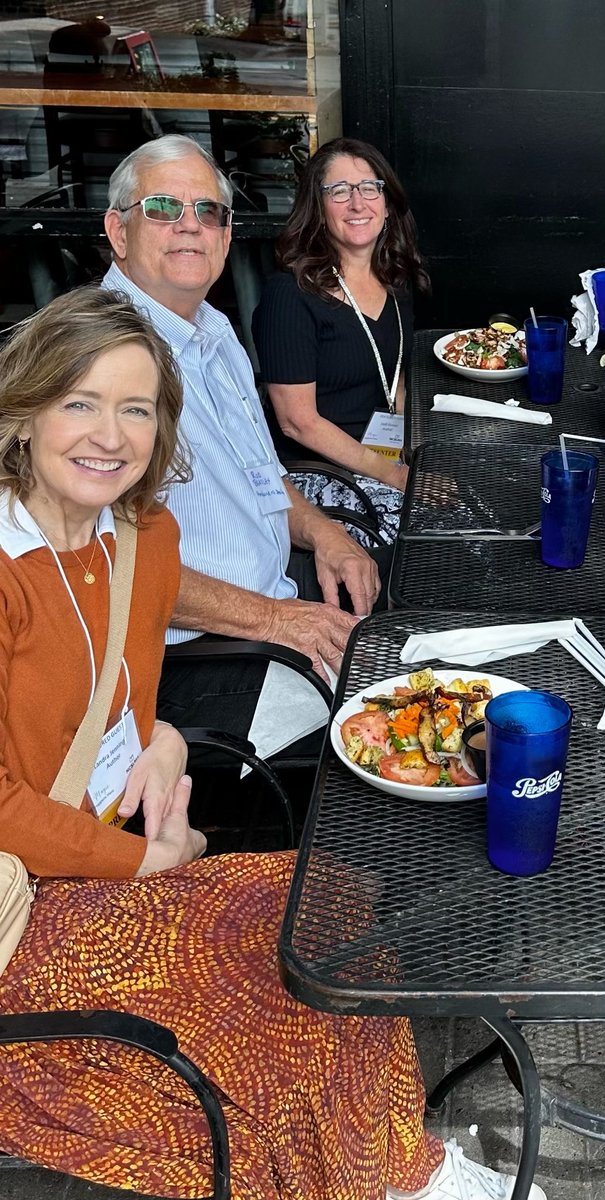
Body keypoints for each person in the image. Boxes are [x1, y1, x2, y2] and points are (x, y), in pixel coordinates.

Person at [0, 287, 546, 1200]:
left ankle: (388, 1168)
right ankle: (397, 1181)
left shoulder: (140, 533)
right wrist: (145, 862)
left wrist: (165, 744)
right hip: (26, 912)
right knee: (278, 1013)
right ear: (24, 413)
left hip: (125, 839)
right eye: (79, 402)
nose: (110, 434)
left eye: (136, 408)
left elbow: (122, 695)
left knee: (341, 905)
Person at [101, 134, 381, 739]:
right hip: (186, 659)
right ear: (119, 232)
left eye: (208, 212)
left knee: (412, 601)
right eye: (163, 208)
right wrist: (277, 620)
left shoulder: (211, 327)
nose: (190, 226)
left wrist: (321, 531)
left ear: (227, 237)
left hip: (270, 596)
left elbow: (258, 473)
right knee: (386, 718)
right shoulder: (107, 360)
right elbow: (105, 567)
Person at [254, 136, 430, 545]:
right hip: (318, 473)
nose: (357, 203)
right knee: (432, 541)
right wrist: (396, 475)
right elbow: (297, 422)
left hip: (383, 459)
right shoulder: (290, 294)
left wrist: (415, 453)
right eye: (339, 191)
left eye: (369, 188)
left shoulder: (395, 278)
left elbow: (396, 381)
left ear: (387, 205)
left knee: (475, 503)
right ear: (318, 208)